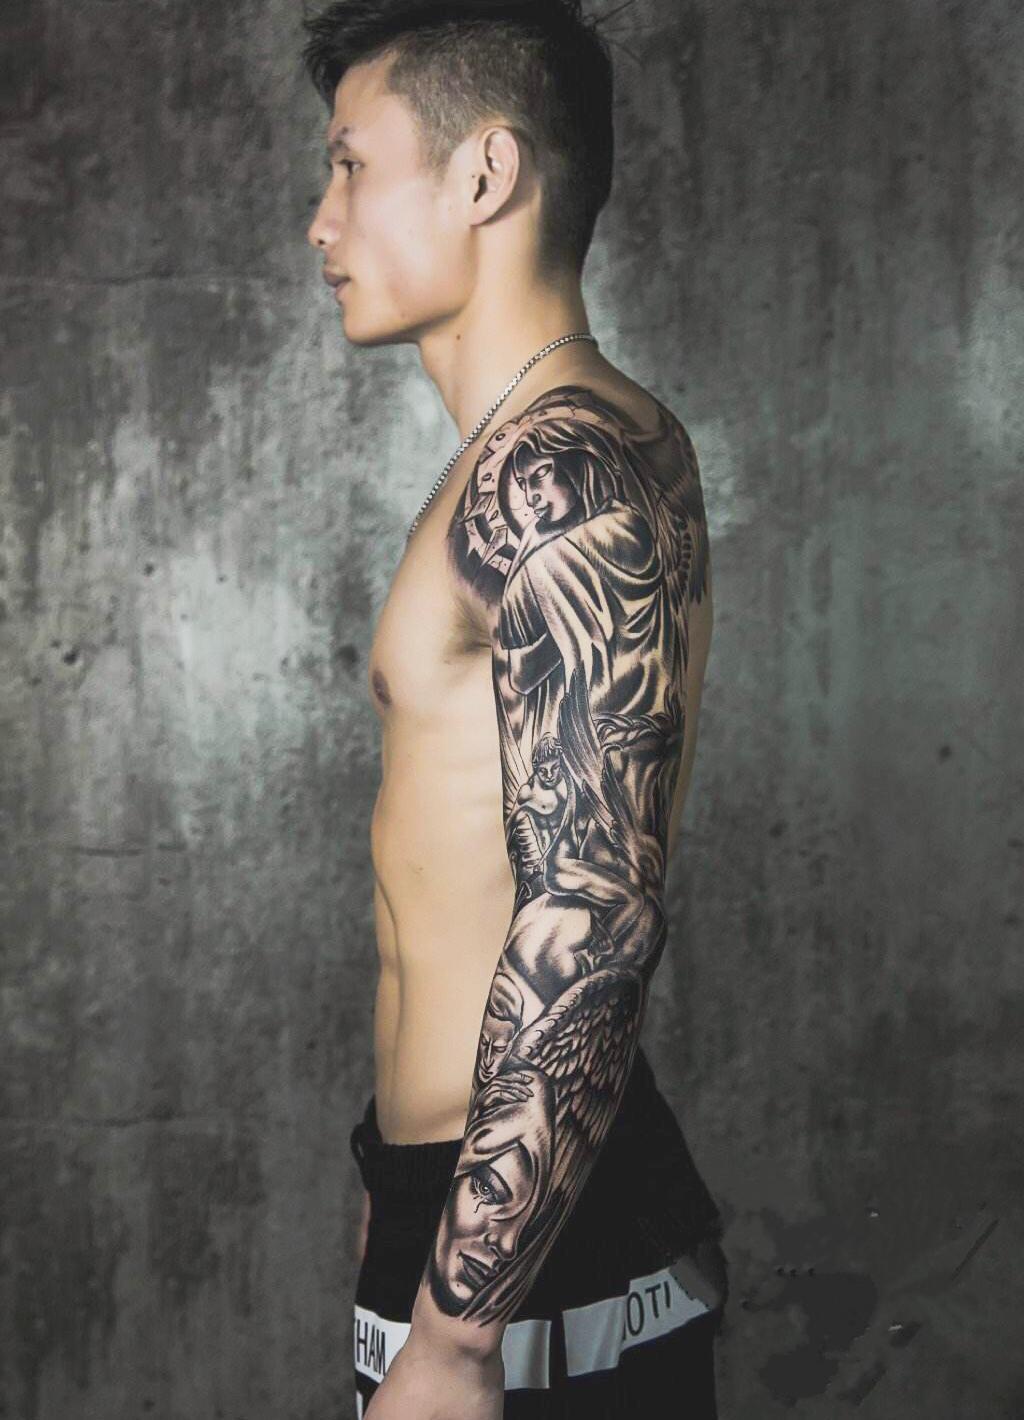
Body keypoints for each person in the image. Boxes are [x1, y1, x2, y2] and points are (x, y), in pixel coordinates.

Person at [302, 2, 728, 1414]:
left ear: (486, 174)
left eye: (351, 165)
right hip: (469, 1206)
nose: (321, 223)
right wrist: (401, 1192)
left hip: (529, 1258)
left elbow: (593, 912)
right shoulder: (525, 455)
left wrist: (457, 1330)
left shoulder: (564, 473)